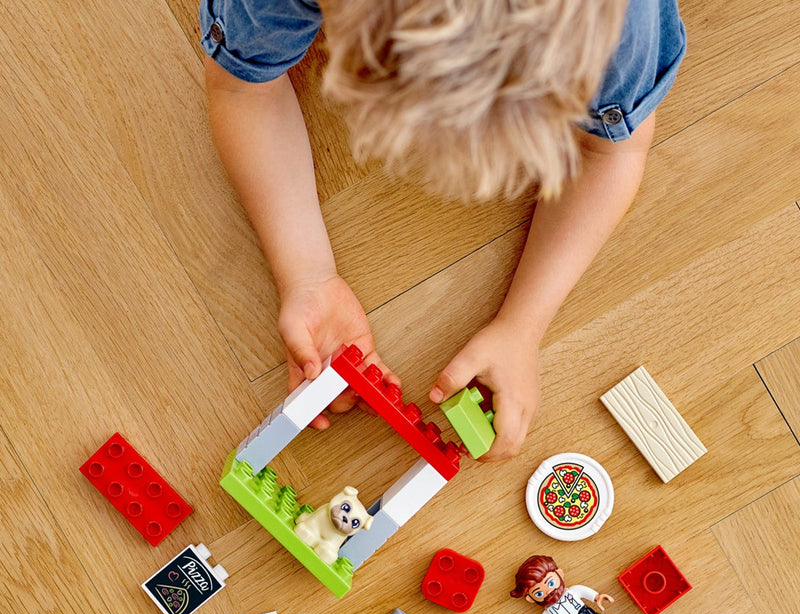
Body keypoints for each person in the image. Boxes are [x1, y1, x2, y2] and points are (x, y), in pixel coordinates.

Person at [200, 0, 686, 461]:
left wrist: (523, 325)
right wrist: (305, 273)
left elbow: (611, 152)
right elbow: (243, 88)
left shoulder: (619, 25)